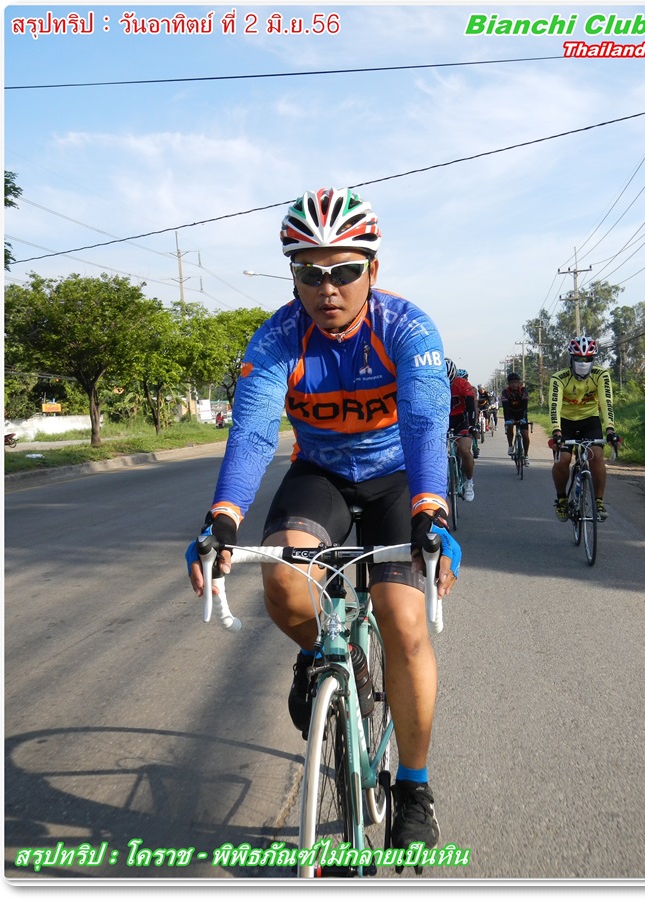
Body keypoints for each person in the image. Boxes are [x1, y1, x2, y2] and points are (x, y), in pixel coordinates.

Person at [186, 187, 461, 851]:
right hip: (323, 476)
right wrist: (223, 519)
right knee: (284, 584)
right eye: (309, 273)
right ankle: (321, 656)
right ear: (293, 276)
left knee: (402, 622)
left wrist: (432, 510)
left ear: (373, 269)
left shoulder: (407, 329)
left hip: (399, 480)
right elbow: (254, 430)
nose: (326, 287)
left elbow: (425, 421)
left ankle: (414, 788)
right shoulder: (278, 337)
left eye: (343, 270)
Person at [549, 336, 618, 521]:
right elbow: (554, 405)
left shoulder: (601, 375)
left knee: (596, 456)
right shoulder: (559, 378)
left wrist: (610, 429)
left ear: (593, 359)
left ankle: (598, 501)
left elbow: (606, 402)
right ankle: (562, 499)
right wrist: (556, 431)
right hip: (565, 422)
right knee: (563, 460)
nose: (583, 363)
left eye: (587, 359)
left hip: (590, 420)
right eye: (579, 359)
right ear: (571, 359)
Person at [445, 358, 477, 501]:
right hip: (443, 420)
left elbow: (471, 406)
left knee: (465, 451)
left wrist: (472, 425)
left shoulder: (463, 384)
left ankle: (469, 482)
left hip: (461, 421)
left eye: (450, 382)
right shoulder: (434, 385)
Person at [501, 373, 530, 463]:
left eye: (516, 382)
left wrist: (523, 418)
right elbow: (505, 408)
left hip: (521, 413)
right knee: (510, 427)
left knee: (525, 434)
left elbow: (525, 406)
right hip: (511, 413)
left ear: (519, 383)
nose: (514, 384)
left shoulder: (523, 390)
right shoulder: (505, 392)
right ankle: (510, 446)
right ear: (509, 383)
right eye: (512, 382)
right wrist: (507, 420)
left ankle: (526, 455)